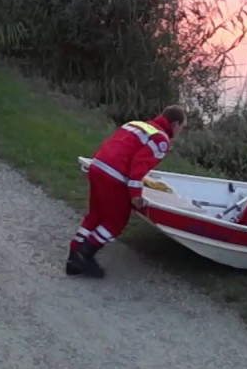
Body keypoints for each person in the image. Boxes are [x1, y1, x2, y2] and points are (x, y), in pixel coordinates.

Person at [68, 105, 188, 278]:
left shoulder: (136, 125)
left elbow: (113, 145)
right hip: (113, 175)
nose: (180, 132)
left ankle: (74, 254)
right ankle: (85, 255)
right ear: (175, 124)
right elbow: (137, 168)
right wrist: (135, 196)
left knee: (95, 215)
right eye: (182, 128)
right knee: (116, 221)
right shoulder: (160, 140)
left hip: (98, 167)